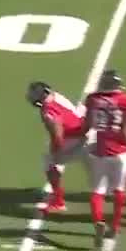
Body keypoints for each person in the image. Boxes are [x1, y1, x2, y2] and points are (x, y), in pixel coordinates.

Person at [83, 70, 126, 251]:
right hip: (121, 152)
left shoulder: (92, 100)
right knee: (119, 190)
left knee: (97, 192)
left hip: (100, 151)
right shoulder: (123, 100)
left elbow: (87, 125)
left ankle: (98, 221)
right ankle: (114, 226)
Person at [25, 82, 86, 215]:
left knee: (49, 162)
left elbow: (58, 134)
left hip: (77, 138)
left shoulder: (48, 111)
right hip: (85, 131)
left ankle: (58, 202)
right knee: (108, 162)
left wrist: (56, 151)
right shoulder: (57, 96)